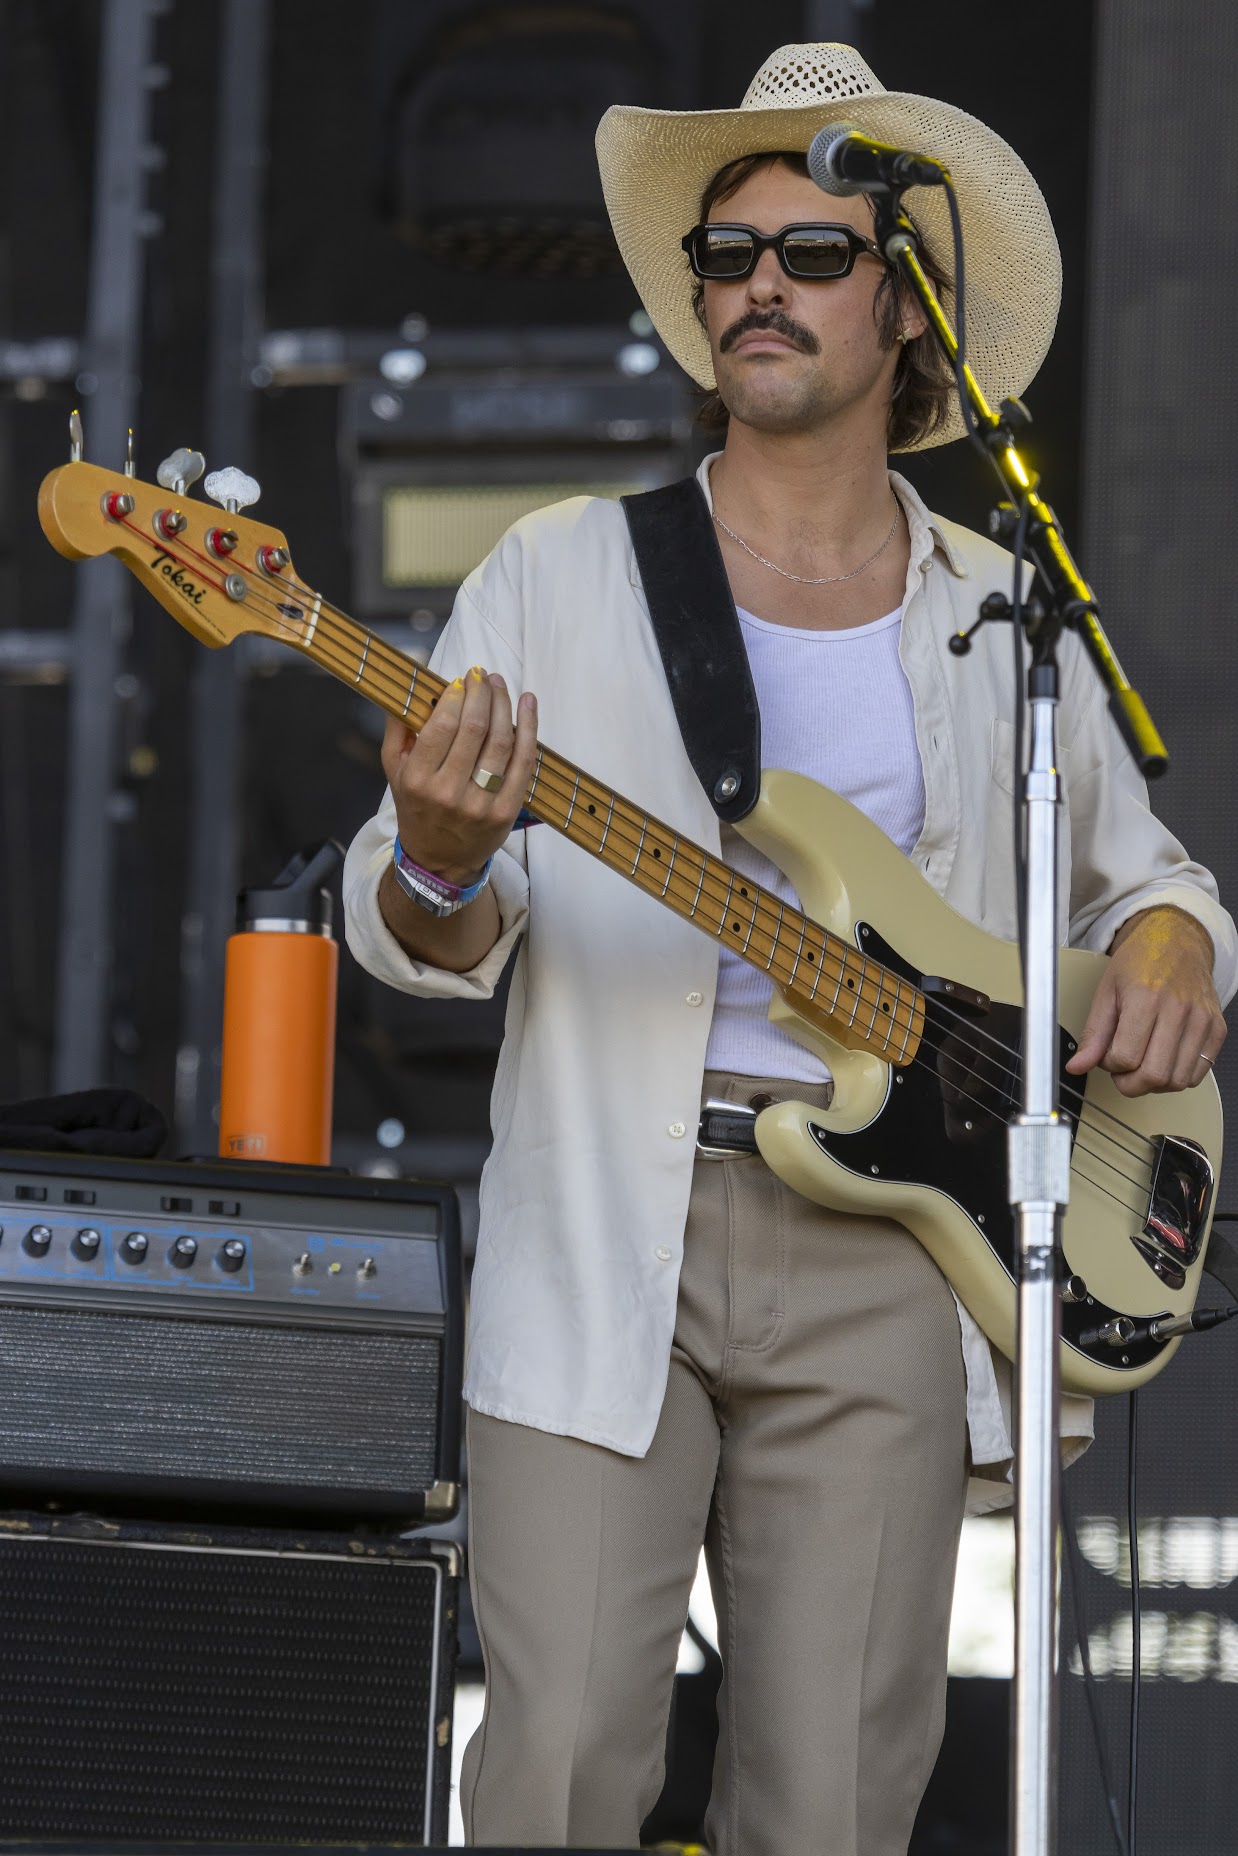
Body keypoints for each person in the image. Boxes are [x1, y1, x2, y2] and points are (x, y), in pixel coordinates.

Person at [344, 41, 1234, 1856]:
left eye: (812, 253)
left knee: (831, 1799)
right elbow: (413, 913)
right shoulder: (562, 573)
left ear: (904, 310)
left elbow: (1145, 886)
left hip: (896, 1248)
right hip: (616, 1216)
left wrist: (1165, 944)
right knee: (555, 1763)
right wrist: (439, 856)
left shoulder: (1002, 608)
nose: (758, 282)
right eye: (727, 254)